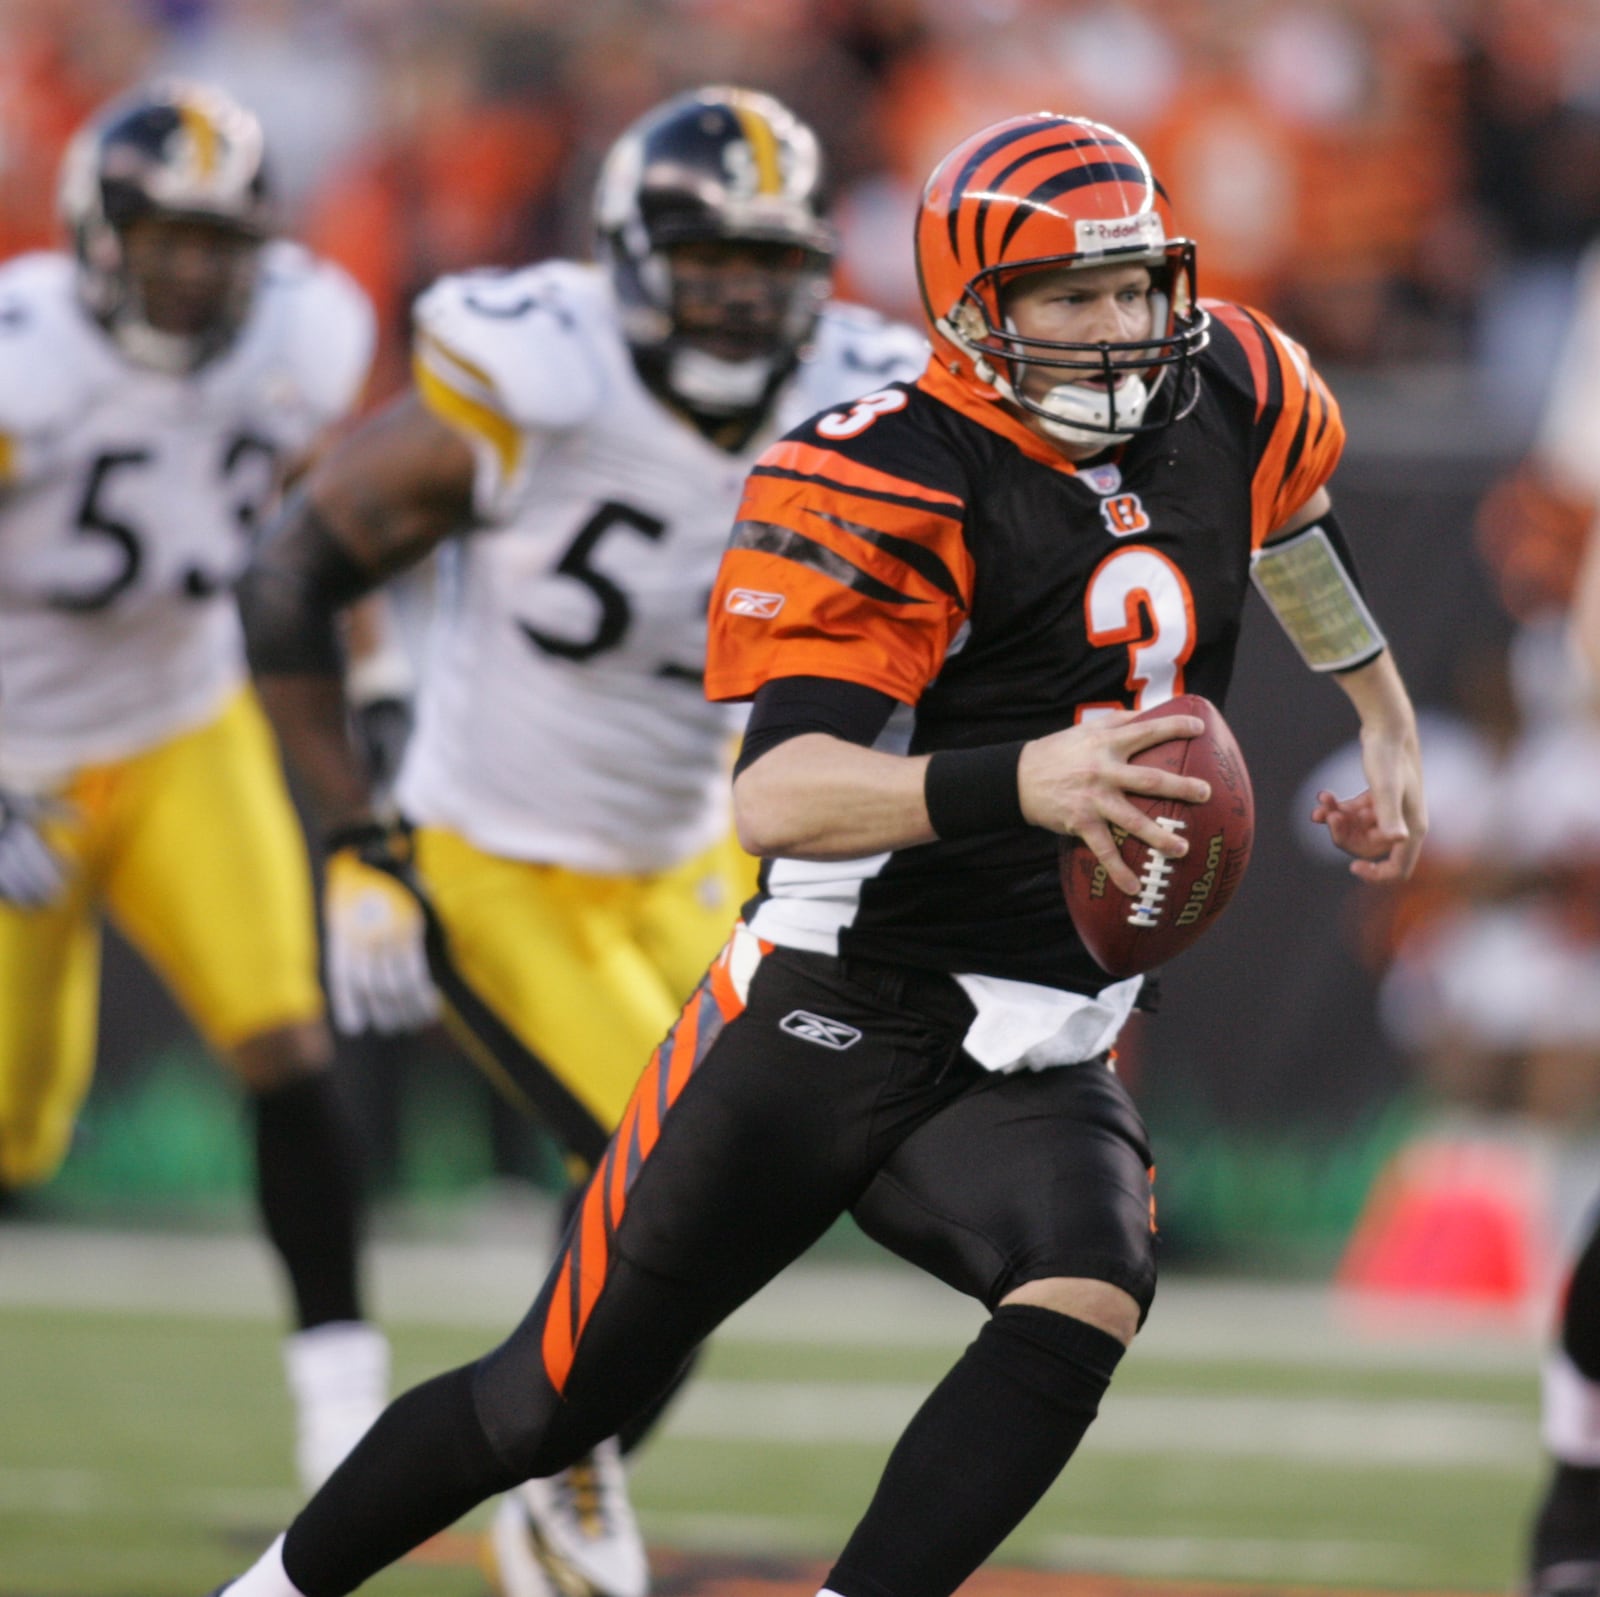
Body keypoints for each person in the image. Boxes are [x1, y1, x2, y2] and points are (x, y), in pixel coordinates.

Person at [215, 110, 1425, 1597]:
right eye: (1071, 297)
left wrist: (1379, 711)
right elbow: (783, 798)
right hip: (833, 1004)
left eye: (1135, 288)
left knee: (1087, 1278)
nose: (1118, 330)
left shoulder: (1231, 375)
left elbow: (1291, 517)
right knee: (544, 1399)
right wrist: (1023, 777)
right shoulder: (891, 471)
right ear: (976, 313)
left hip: (1042, 1031)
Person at [237, 84, 927, 1597]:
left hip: (686, 859)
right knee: (680, 1170)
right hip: (494, 851)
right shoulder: (534, 375)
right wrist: (358, 827)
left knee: (745, 1177)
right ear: (625, 255)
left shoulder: (866, 394)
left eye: (769, 259)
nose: (742, 291)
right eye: (705, 255)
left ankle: (563, 1459)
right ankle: (551, 1467)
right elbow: (290, 572)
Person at [0, 80, 389, 1494]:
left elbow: (325, 526)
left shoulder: (305, 327)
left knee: (283, 1035)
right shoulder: (23, 358)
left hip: (180, 722)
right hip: (16, 762)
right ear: (99, 230)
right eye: (164, 234)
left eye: (219, 240)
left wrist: (377, 675)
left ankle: (340, 1399)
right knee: (15, 1125)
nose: (192, 267)